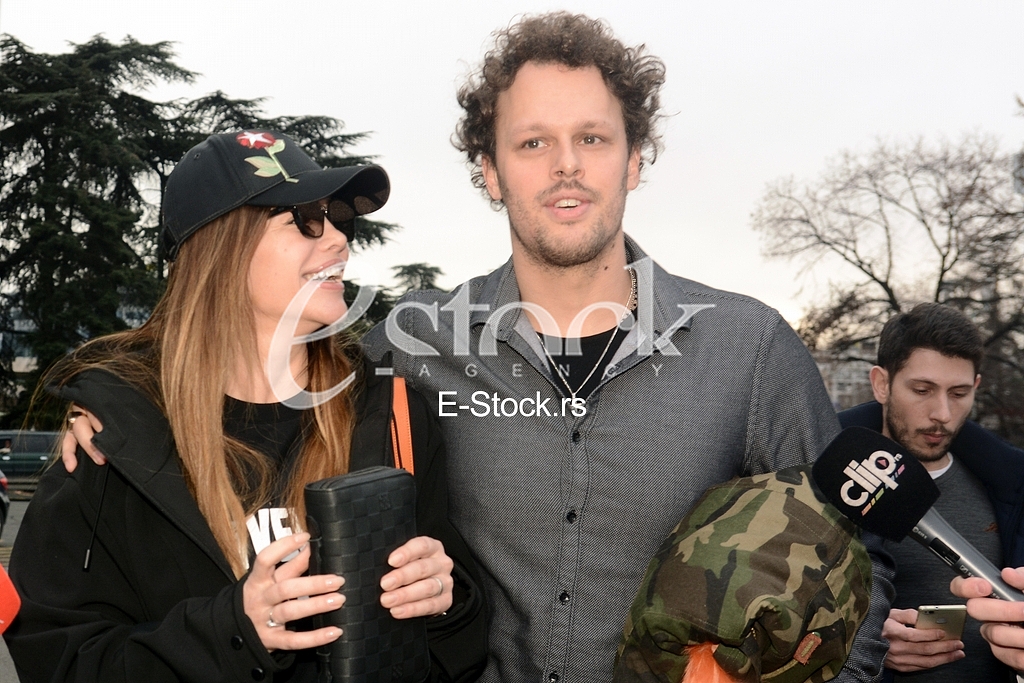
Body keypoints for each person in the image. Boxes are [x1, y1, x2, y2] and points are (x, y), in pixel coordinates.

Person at [61, 13, 894, 682]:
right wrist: (112, 402)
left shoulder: (749, 348)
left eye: (593, 139)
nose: (565, 166)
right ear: (490, 172)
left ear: (635, 160)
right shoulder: (409, 346)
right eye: (532, 142)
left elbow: (859, 560)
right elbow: (253, 371)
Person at [5, 131, 486, 682]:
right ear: (222, 249)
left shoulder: (392, 413)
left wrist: (445, 603)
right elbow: (63, 663)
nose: (337, 241)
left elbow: (456, 657)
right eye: (304, 218)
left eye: (334, 217)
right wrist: (234, 630)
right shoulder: (110, 440)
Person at [838, 303, 1013, 682]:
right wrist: (860, 640)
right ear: (881, 384)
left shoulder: (1010, 485)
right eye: (922, 389)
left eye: (959, 393)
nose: (943, 413)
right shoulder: (820, 480)